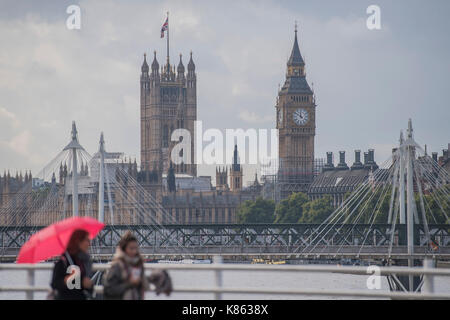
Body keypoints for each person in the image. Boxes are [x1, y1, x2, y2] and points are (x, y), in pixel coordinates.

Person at [103, 231, 149, 300]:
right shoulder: (117, 266)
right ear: (124, 249)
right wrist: (130, 283)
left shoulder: (138, 264)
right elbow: (109, 289)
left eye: (136, 248)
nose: (134, 251)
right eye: (131, 248)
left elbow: (145, 286)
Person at [50, 229, 94, 300]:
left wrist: (89, 285)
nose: (89, 244)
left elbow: (85, 285)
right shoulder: (64, 261)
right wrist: (66, 280)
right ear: (78, 242)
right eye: (87, 240)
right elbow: (55, 283)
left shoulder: (85, 261)